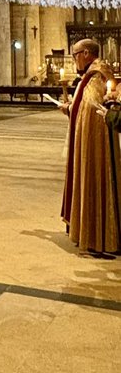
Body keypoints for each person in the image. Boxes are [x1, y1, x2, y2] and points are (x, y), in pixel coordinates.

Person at [60, 38, 120, 256]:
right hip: (88, 139)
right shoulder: (91, 75)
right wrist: (70, 109)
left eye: (75, 54)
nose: (74, 59)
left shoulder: (96, 76)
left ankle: (97, 235)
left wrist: (73, 110)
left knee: (95, 180)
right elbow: (84, 107)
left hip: (95, 145)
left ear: (85, 53)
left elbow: (93, 110)